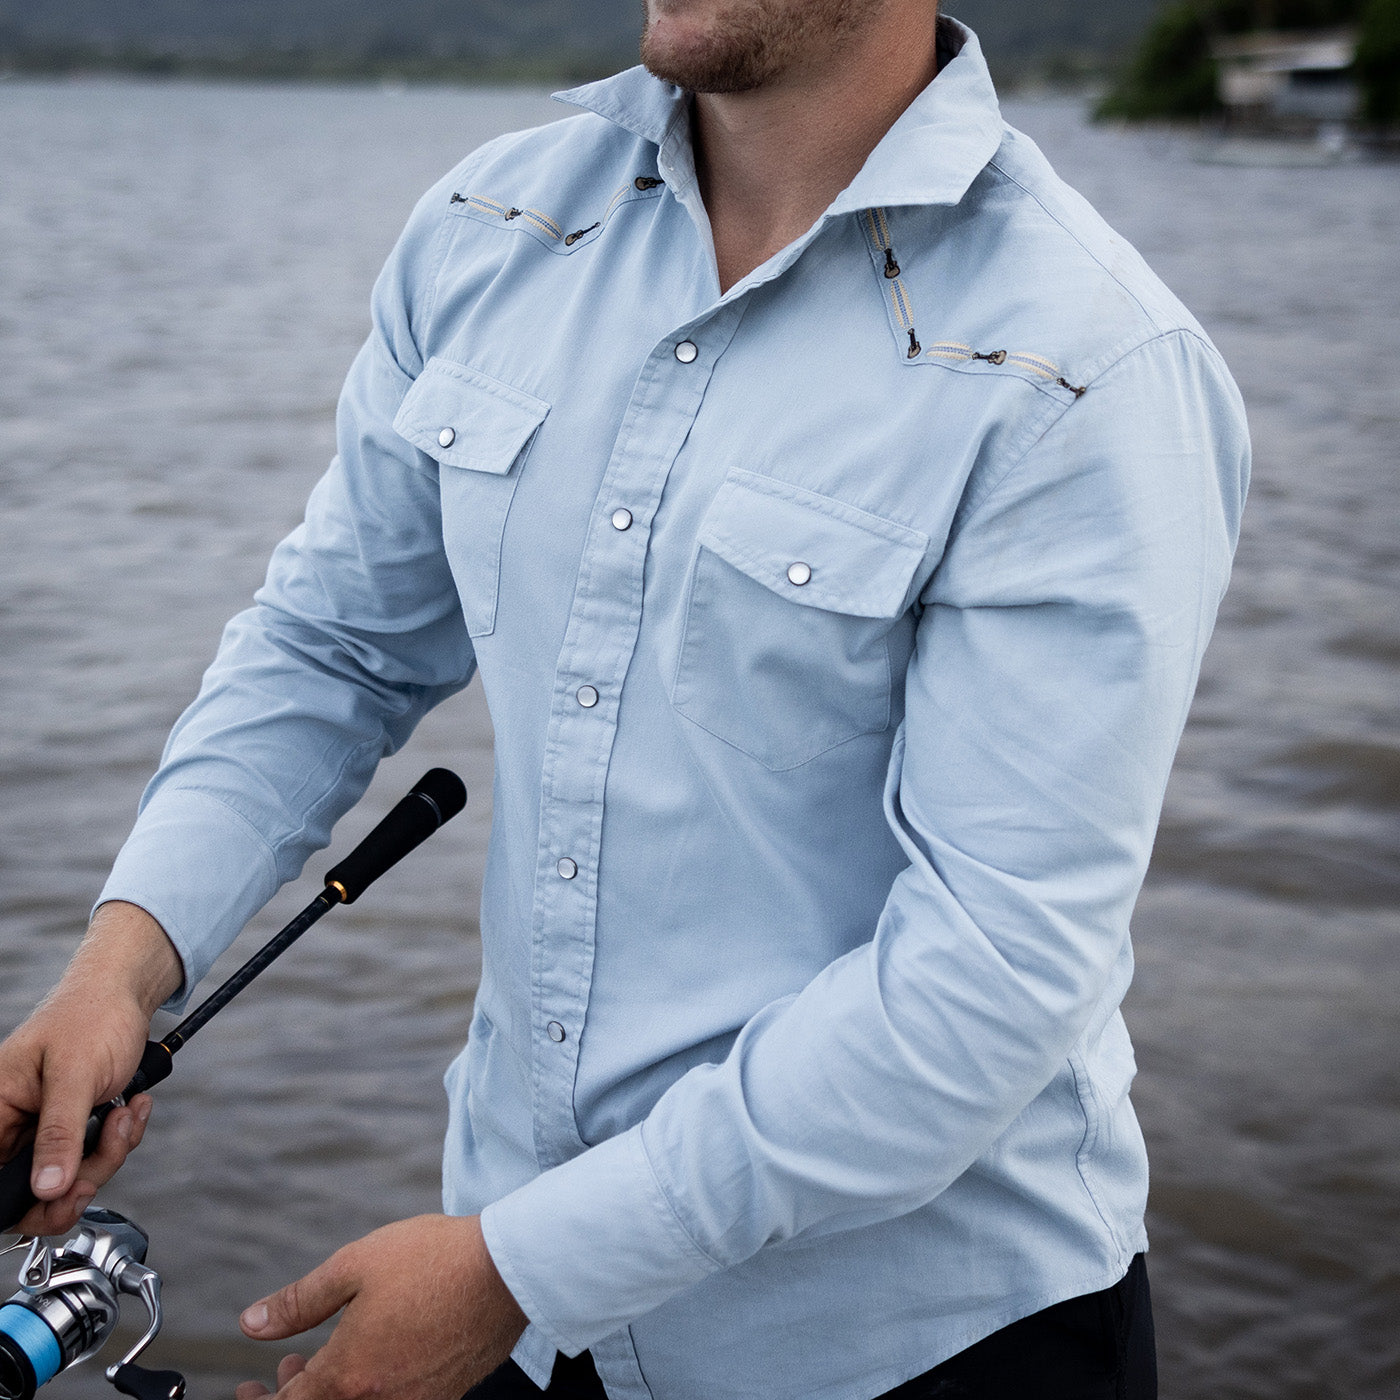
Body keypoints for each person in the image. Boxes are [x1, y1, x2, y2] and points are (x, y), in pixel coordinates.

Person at [0, 1, 1250, 1397]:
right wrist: (121, 964)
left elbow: (992, 973)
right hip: (522, 1313)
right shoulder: (489, 228)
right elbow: (330, 646)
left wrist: (518, 1268)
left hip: (913, 1347)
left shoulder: (1088, 363)